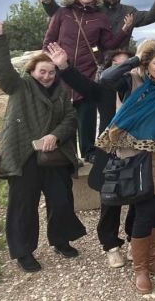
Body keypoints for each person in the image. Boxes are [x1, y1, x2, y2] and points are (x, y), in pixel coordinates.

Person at [0, 20, 85, 273]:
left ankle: (60, 240)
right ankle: (24, 251)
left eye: (51, 72)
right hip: (24, 155)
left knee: (60, 200)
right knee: (24, 205)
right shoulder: (19, 86)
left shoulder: (61, 91)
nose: (47, 76)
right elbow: (2, 70)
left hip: (54, 155)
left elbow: (71, 118)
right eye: (42, 71)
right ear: (31, 71)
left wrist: (55, 135)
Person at [97, 40, 155, 294]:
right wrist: (137, 58)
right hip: (137, 156)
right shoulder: (131, 81)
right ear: (147, 63)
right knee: (144, 211)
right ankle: (140, 269)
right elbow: (106, 77)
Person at [44, 43, 132, 269]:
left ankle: (134, 239)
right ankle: (111, 246)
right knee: (109, 203)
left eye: (126, 64)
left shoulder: (142, 90)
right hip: (110, 155)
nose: (121, 68)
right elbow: (80, 83)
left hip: (135, 154)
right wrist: (63, 65)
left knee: (137, 201)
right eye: (116, 64)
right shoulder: (103, 90)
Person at [42, 0, 134, 162]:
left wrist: (124, 30)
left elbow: (108, 44)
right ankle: (67, 154)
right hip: (61, 69)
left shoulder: (100, 17)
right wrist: (49, 64)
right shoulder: (62, 13)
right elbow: (49, 40)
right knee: (62, 113)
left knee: (87, 112)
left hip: (87, 70)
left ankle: (89, 151)